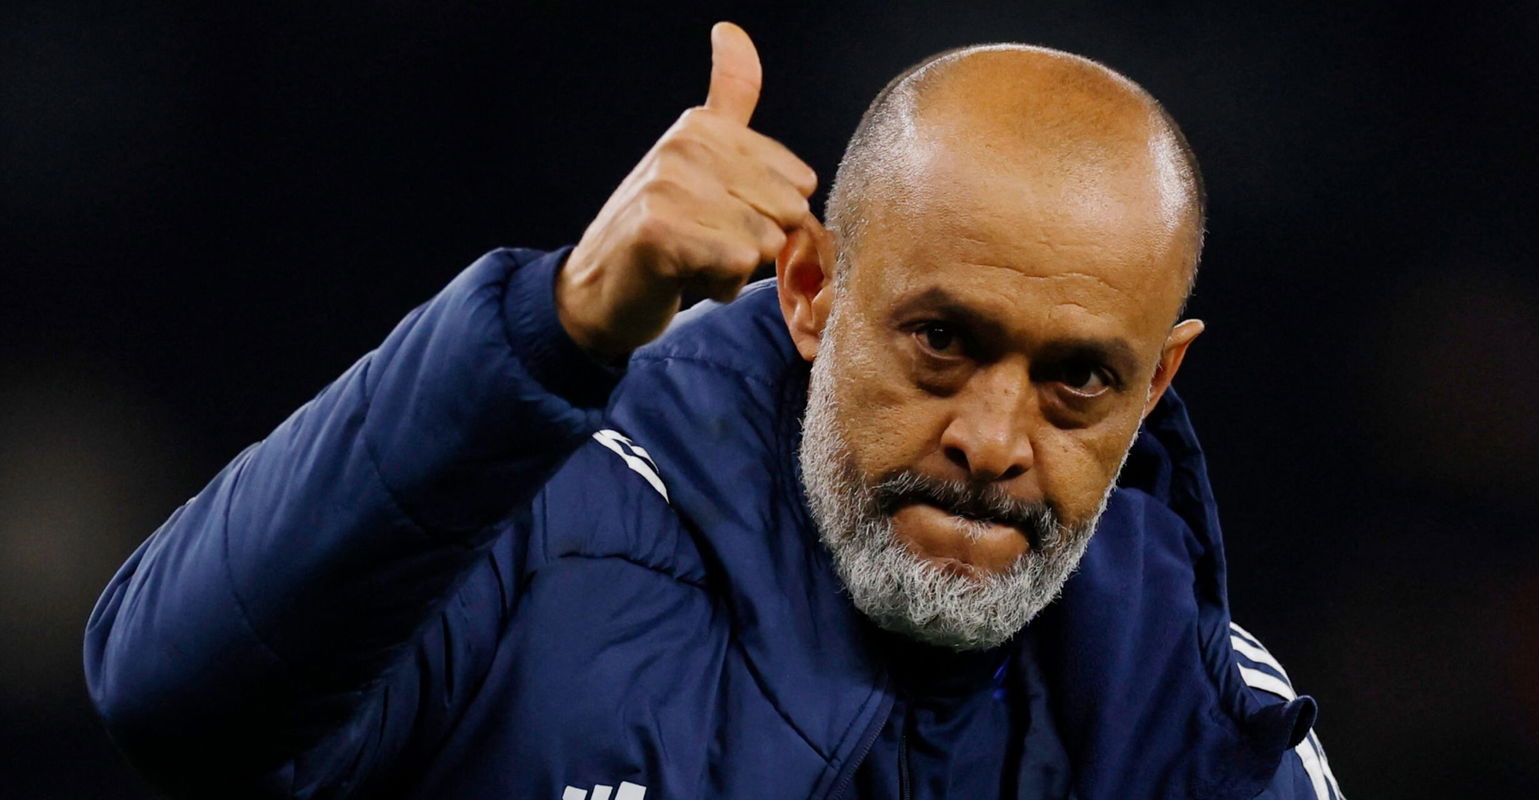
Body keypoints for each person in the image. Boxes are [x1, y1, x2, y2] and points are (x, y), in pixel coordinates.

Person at [84, 22, 1345, 800]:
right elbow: (173, 695)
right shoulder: (529, 531)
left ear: (1156, 383)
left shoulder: (1205, 719)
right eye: (940, 341)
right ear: (809, 289)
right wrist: (557, 323)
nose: (992, 440)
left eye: (1077, 379)